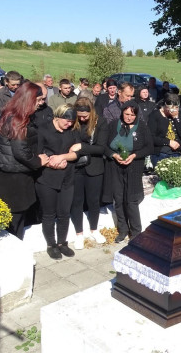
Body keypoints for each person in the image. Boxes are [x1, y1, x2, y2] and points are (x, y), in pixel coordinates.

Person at [0, 82, 49, 238]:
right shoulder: (17, 120)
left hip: (14, 172)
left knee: (19, 215)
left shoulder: (13, 114)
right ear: (28, 99)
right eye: (38, 100)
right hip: (14, 177)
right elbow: (20, 151)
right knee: (16, 217)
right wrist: (39, 161)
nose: (41, 103)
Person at [100, 102, 153, 243]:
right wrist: (114, 155)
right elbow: (103, 145)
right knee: (118, 199)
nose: (129, 117)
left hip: (134, 167)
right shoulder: (113, 125)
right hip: (114, 166)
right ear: (122, 112)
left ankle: (136, 231)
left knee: (131, 200)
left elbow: (149, 147)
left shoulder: (142, 127)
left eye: (132, 115)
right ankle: (123, 229)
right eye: (126, 114)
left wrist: (134, 155)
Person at [36, 104, 80, 259]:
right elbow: (37, 154)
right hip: (47, 178)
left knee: (64, 213)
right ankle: (51, 244)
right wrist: (52, 163)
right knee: (49, 213)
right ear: (58, 117)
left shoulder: (72, 131)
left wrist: (63, 157)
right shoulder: (43, 129)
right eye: (67, 121)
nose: (69, 124)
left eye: (72, 121)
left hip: (67, 177)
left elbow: (77, 153)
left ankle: (62, 243)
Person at [69, 98, 107, 249]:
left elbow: (101, 148)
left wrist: (81, 146)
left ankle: (94, 229)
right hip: (76, 167)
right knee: (76, 201)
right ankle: (79, 234)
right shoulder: (73, 121)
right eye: (80, 116)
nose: (83, 119)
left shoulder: (100, 122)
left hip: (94, 167)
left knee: (93, 201)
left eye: (85, 116)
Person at [148, 93, 181, 166]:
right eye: (172, 108)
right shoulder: (155, 115)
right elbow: (151, 136)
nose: (174, 110)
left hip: (176, 152)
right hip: (160, 152)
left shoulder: (180, 114)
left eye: (176, 108)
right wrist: (168, 142)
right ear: (166, 106)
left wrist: (176, 118)